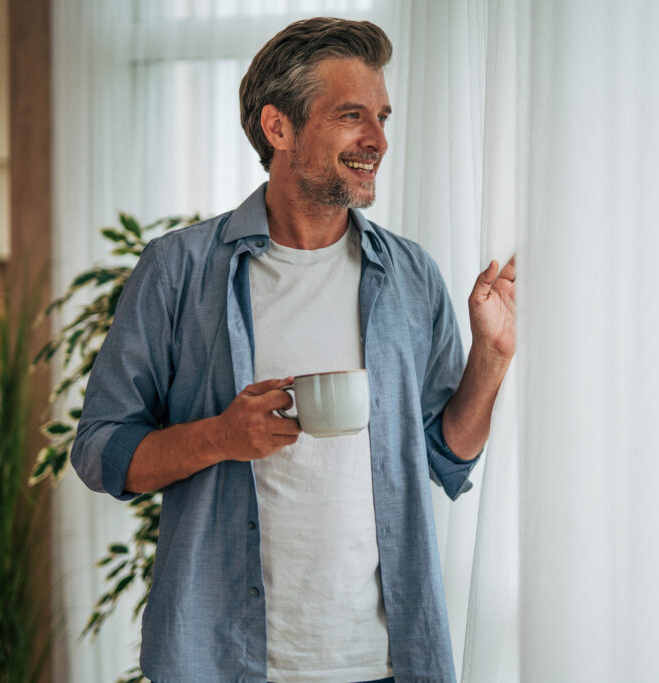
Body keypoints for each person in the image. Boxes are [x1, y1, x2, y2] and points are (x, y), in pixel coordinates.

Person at [72, 17, 515, 683]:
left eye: (383, 118)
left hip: (384, 661)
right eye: (351, 116)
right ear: (278, 128)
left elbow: (446, 456)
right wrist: (220, 436)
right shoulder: (178, 270)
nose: (377, 140)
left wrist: (492, 354)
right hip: (222, 659)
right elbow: (100, 452)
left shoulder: (410, 275)